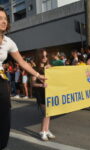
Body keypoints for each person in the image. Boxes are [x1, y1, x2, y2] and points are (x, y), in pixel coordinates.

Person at [0, 7, 46, 150]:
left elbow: (22, 62)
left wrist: (38, 75)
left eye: (5, 19)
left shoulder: (8, 42)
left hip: (0, 80)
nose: (3, 21)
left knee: (4, 118)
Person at [32, 49, 55, 141]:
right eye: (43, 56)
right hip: (41, 93)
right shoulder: (35, 69)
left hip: (49, 92)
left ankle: (46, 129)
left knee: (49, 113)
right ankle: (43, 131)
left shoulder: (48, 67)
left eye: (46, 56)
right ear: (39, 57)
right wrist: (42, 85)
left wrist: (51, 68)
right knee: (46, 112)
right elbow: (33, 83)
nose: (45, 58)